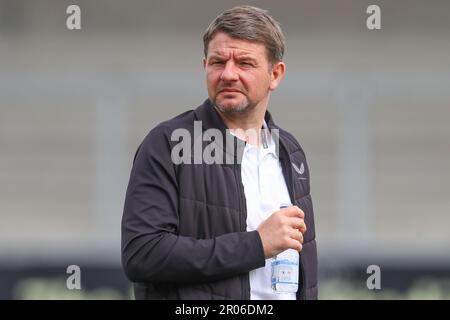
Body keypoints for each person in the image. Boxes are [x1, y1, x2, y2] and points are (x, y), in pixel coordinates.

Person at [121, 5, 317, 300]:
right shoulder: (168, 144)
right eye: (218, 62)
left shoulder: (291, 151)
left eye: (245, 63)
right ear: (205, 67)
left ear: (275, 74)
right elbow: (143, 253)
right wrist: (256, 245)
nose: (228, 74)